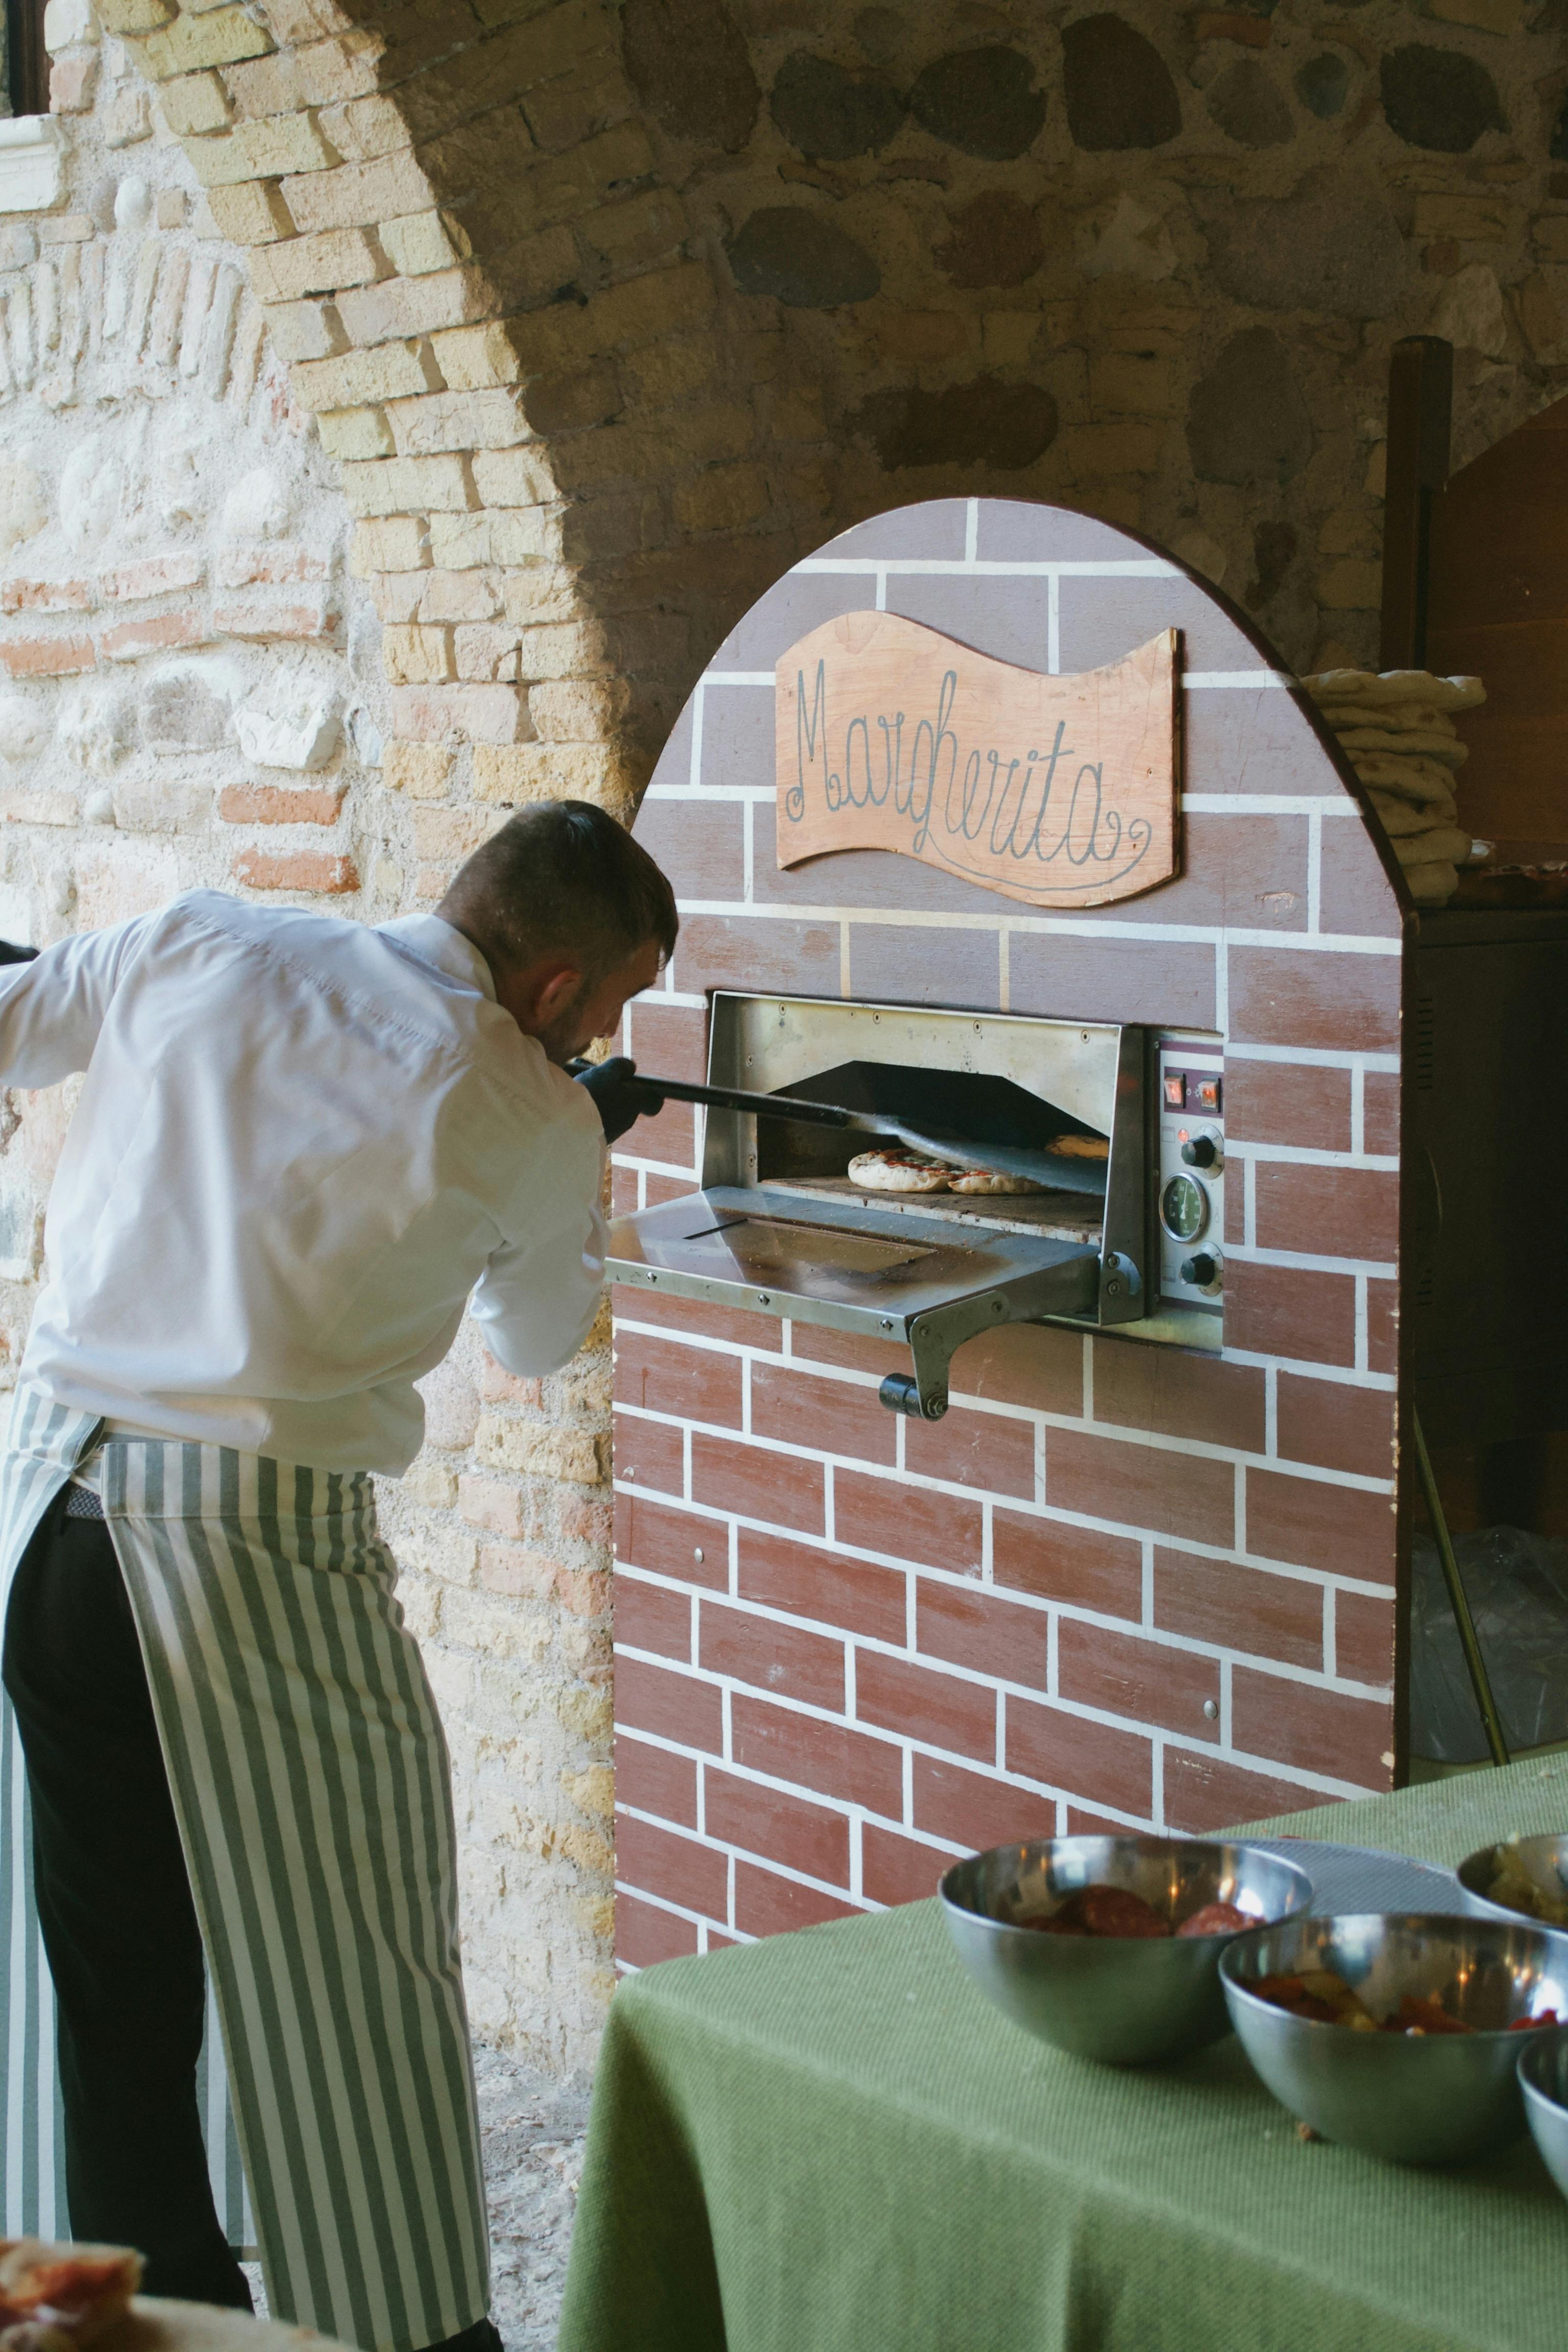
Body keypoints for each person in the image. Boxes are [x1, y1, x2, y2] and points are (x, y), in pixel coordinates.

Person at [0, 801, 675, 2352]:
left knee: (117, 1974)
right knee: (362, 1961)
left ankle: (140, 2310)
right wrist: (569, 1154)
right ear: (564, 989)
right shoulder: (531, 1107)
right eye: (621, 997)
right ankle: (418, 2335)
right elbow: (529, 1337)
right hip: (242, 1549)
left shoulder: (195, 936)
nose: (612, 1028)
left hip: (46, 1519)